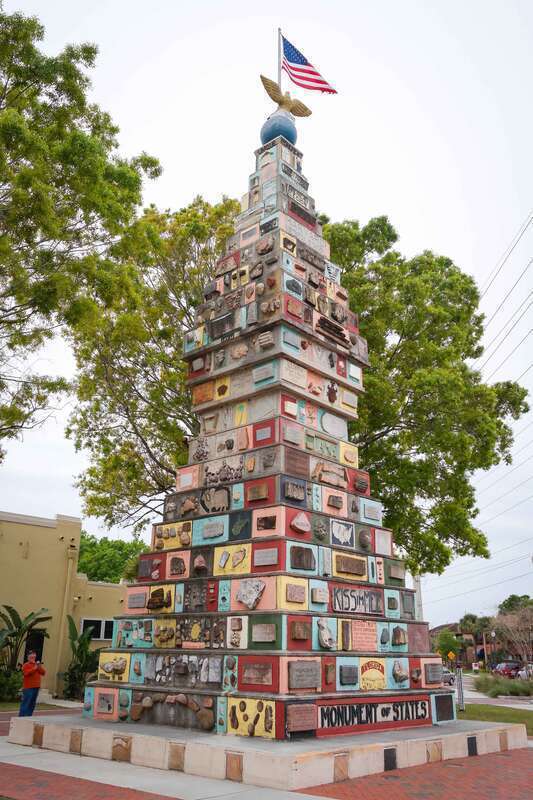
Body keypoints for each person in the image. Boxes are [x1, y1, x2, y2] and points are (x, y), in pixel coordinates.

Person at [19, 651, 46, 717]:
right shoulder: (26, 665)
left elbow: (43, 672)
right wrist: (34, 668)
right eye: (31, 656)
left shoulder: (36, 665)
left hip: (36, 687)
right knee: (26, 703)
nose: (32, 657)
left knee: (32, 703)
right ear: (28, 657)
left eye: (34, 656)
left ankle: (28, 716)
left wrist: (38, 666)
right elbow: (26, 673)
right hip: (28, 688)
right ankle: (21, 717)